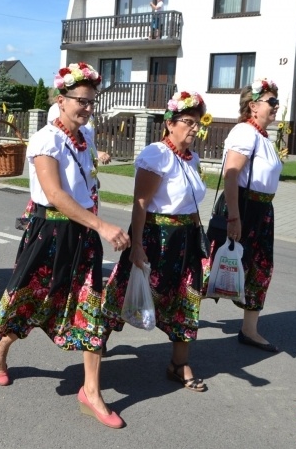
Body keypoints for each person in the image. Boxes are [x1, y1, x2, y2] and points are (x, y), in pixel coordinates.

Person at [0, 62, 130, 429]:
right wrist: (103, 225)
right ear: (61, 101)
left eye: (91, 101)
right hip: (50, 233)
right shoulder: (46, 138)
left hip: (83, 235)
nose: (87, 107)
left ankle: (91, 391)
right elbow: (54, 194)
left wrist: (94, 225)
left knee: (90, 308)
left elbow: (85, 184)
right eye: (81, 101)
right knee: (34, 300)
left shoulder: (85, 137)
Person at [102, 91, 208, 392]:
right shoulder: (156, 154)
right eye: (188, 121)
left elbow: (191, 203)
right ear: (170, 124)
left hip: (185, 240)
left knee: (187, 298)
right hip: (155, 237)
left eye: (198, 123)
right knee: (126, 292)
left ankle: (179, 363)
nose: (194, 128)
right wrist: (136, 245)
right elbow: (140, 204)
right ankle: (99, 336)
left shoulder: (192, 159)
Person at [217, 78, 284, 353]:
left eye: (276, 102)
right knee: (214, 267)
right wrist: (234, 216)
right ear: (253, 106)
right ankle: (177, 316)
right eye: (272, 102)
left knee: (260, 268)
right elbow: (231, 175)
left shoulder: (263, 137)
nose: (276, 106)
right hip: (242, 207)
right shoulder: (245, 132)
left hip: (261, 211)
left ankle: (249, 330)